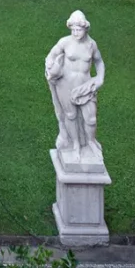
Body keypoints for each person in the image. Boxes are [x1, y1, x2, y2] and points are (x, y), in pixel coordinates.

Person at [44, 10, 106, 166]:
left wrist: (100, 78)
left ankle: (90, 141)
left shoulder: (91, 45)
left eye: (79, 29)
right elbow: (50, 56)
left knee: (91, 118)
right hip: (65, 84)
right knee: (70, 116)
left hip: (85, 86)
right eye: (73, 30)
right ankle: (76, 144)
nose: (76, 33)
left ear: (85, 29)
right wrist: (51, 66)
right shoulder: (65, 42)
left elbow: (99, 62)